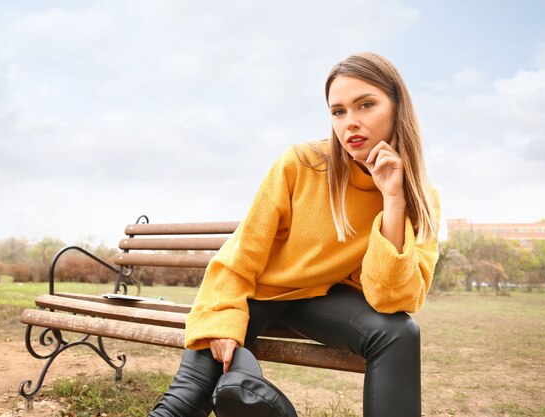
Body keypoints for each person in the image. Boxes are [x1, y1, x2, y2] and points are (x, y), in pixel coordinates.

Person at [149, 51, 440, 417]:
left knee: (401, 332)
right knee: (185, 401)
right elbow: (242, 252)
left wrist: (393, 199)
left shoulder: (419, 197)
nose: (350, 123)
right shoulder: (302, 164)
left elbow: (390, 300)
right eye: (338, 111)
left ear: (398, 106)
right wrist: (222, 317)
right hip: (259, 290)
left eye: (365, 105)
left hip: (322, 301)